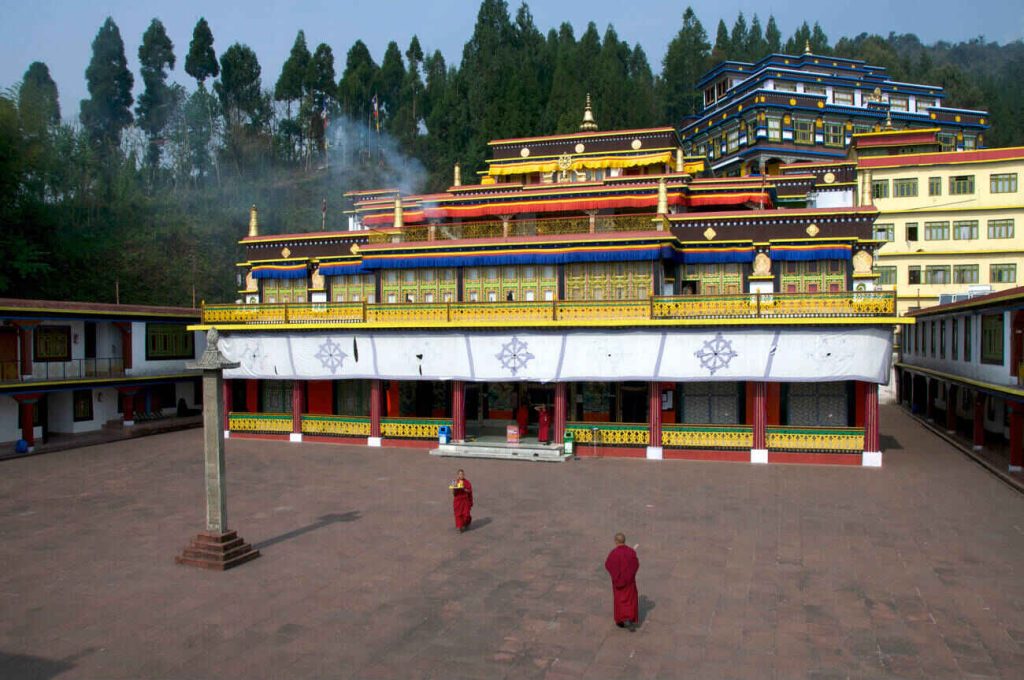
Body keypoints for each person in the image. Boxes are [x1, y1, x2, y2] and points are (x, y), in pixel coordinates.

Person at [604, 532, 640, 631]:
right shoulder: (631, 552)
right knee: (630, 600)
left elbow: (608, 564)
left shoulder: (613, 553)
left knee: (619, 601)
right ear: (624, 541)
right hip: (629, 582)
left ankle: (621, 620)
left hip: (618, 583)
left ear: (616, 541)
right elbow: (636, 564)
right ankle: (629, 618)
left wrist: (615, 576)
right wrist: (630, 575)